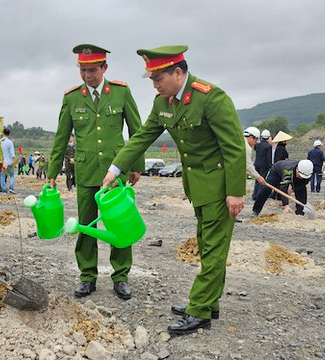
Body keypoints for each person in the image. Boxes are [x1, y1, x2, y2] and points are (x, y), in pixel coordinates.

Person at [102, 45, 244, 334]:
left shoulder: (211, 98)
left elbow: (234, 148)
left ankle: (199, 310)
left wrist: (236, 192)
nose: (155, 85)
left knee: (214, 249)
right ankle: (210, 302)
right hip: (197, 186)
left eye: (159, 78)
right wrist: (115, 169)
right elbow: (142, 137)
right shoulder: (163, 103)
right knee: (207, 244)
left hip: (219, 187)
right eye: (152, 79)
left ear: (178, 73)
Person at [48, 43, 144, 301]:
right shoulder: (71, 98)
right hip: (86, 171)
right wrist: (52, 172)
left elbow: (137, 131)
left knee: (119, 224)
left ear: (104, 68)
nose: (87, 75)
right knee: (86, 224)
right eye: (82, 70)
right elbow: (61, 137)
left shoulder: (121, 93)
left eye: (92, 70)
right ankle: (87, 275)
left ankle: (121, 276)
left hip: (116, 171)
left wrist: (136, 166)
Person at [252, 129, 272, 199]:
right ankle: (258, 195)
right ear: (268, 137)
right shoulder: (269, 146)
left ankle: (254, 195)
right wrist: (270, 166)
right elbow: (269, 157)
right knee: (262, 180)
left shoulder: (257, 145)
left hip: (256, 164)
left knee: (257, 179)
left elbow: (255, 149)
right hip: (264, 165)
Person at [0, 128, 15, 193]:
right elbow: (12, 154)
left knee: (2, 175)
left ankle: (4, 189)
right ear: (9, 134)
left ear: (3, 133)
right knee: (12, 175)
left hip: (3, 162)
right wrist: (14, 162)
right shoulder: (10, 142)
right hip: (10, 162)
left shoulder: (0, 142)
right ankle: (11, 188)